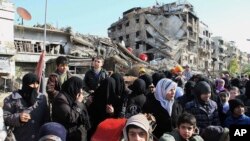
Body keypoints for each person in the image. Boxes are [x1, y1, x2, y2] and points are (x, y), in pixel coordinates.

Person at [3, 73, 49, 141]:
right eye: (32, 84)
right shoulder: (12, 98)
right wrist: (18, 118)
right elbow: (5, 118)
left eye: (37, 83)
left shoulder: (42, 98)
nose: (35, 86)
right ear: (25, 84)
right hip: (19, 137)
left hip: (39, 138)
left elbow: (46, 118)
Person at [52, 76, 91, 141]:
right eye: (80, 88)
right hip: (67, 135)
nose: (81, 91)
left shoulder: (72, 96)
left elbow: (78, 111)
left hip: (76, 134)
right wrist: (78, 102)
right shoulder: (60, 99)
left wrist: (86, 104)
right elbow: (71, 117)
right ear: (73, 87)